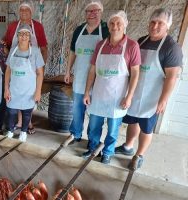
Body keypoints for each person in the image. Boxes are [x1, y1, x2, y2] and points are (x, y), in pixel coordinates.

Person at [115, 8, 183, 170]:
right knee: (133, 120)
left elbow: (171, 77)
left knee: (146, 126)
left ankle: (139, 155)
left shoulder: (171, 48)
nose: (155, 26)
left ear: (167, 26)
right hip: (135, 92)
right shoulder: (141, 41)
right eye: (153, 22)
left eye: (160, 23)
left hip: (153, 96)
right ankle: (128, 146)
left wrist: (163, 100)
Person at [82, 11, 140, 164]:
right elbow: (93, 70)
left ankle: (108, 152)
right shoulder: (100, 45)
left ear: (125, 25)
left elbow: (135, 73)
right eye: (112, 23)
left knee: (113, 129)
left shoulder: (132, 46)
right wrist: (87, 92)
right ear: (108, 26)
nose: (115, 26)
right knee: (94, 126)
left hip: (118, 96)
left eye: (118, 23)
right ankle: (92, 148)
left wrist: (129, 97)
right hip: (99, 93)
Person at [64, 1, 109, 145]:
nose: (92, 14)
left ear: (101, 12)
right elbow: (72, 52)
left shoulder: (106, 29)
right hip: (80, 75)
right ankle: (75, 134)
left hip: (99, 79)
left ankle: (93, 140)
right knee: (77, 108)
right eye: (89, 11)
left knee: (95, 112)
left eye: (95, 11)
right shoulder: (79, 30)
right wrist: (67, 70)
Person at [3, 0, 48, 134]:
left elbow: (44, 48)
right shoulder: (12, 27)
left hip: (32, 66)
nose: (23, 12)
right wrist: (9, 56)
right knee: (16, 93)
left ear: (31, 12)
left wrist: (40, 65)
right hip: (15, 64)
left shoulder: (38, 27)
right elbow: (6, 43)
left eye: (26, 10)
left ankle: (26, 123)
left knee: (28, 95)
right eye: (21, 10)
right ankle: (20, 122)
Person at [4, 24, 44, 142]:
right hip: (14, 89)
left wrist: (38, 91)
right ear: (17, 36)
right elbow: (8, 71)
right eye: (21, 34)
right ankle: (10, 131)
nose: (23, 36)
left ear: (30, 37)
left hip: (29, 90)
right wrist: (6, 88)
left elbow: (40, 73)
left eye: (26, 34)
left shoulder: (36, 52)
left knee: (27, 112)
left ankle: (23, 132)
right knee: (11, 112)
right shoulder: (13, 50)